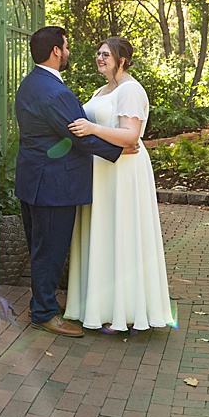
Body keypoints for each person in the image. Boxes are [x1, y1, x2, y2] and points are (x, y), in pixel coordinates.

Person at [15, 26, 126, 337]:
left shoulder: (30, 83)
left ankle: (41, 303)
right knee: (49, 250)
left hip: (32, 180)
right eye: (66, 46)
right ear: (55, 52)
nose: (68, 52)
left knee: (41, 247)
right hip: (53, 186)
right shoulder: (55, 92)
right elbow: (80, 135)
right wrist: (121, 149)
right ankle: (45, 313)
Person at [64, 36, 174, 333]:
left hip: (123, 171)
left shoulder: (130, 90)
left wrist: (91, 128)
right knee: (103, 233)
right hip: (100, 170)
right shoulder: (102, 90)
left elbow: (130, 136)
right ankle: (98, 307)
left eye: (106, 54)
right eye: (98, 53)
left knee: (121, 233)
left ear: (122, 60)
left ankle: (125, 309)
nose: (100, 58)